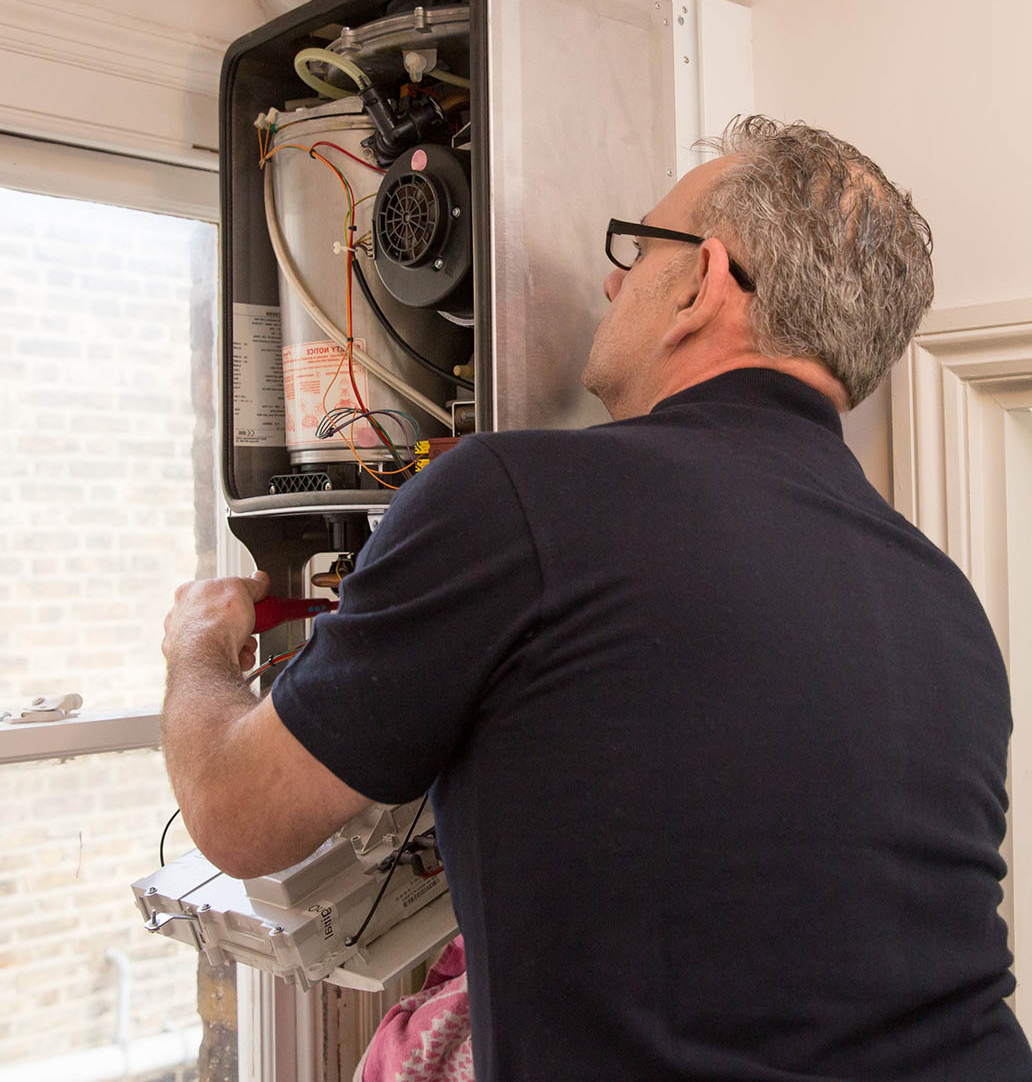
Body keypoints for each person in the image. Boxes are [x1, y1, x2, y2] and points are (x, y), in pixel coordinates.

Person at [162, 117, 1032, 1081]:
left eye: (636, 248)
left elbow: (238, 816)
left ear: (703, 281)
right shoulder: (948, 602)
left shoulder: (509, 497)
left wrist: (196, 650)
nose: (613, 281)